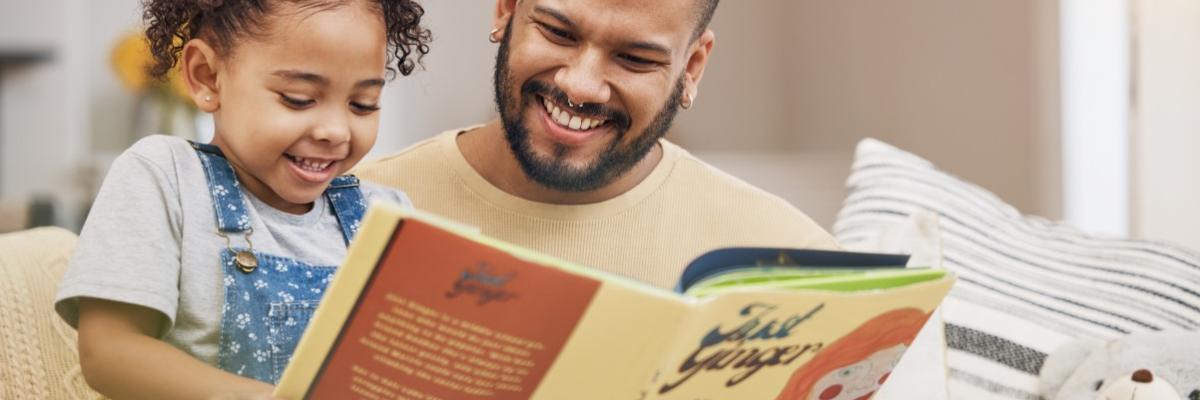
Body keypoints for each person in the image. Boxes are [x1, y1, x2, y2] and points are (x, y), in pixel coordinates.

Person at [53, 1, 431, 398]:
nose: (335, 131)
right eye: (299, 98)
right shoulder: (167, 176)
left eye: (362, 104)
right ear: (207, 78)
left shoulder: (387, 216)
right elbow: (110, 353)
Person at [355, 0, 838, 289]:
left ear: (691, 68)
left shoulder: (793, 261)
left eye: (634, 58)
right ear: (507, 8)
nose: (582, 87)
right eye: (558, 33)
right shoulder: (341, 213)